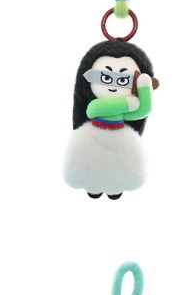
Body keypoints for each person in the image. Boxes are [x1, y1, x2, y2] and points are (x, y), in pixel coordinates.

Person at [62, 40, 157, 200]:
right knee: (91, 162)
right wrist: (127, 103)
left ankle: (115, 187)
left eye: (123, 80)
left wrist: (144, 87)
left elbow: (144, 110)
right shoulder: (98, 106)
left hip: (119, 134)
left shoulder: (126, 112)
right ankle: (93, 187)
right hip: (93, 136)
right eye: (105, 78)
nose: (114, 85)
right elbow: (94, 109)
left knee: (118, 165)